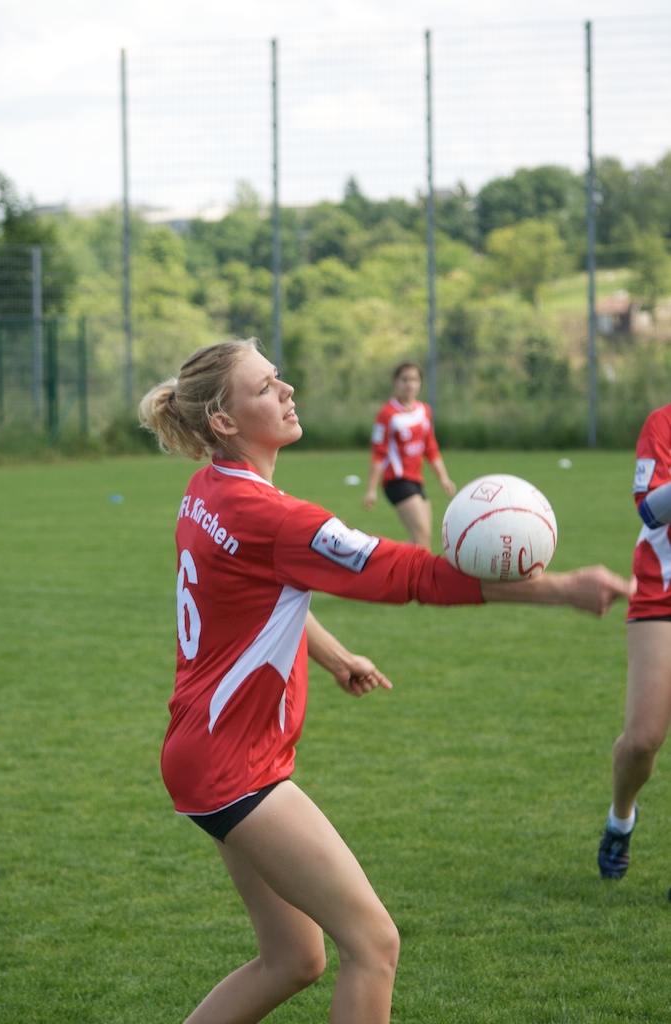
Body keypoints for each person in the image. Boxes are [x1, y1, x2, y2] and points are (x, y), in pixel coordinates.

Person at [139, 337, 632, 1024]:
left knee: (294, 959)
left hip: (203, 749)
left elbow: (249, 602)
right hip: (234, 767)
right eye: (264, 387)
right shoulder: (272, 517)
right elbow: (412, 576)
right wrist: (559, 589)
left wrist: (333, 655)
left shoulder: (208, 493)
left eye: (279, 378)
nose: (284, 391)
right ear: (222, 422)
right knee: (372, 944)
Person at [598, 401, 671, 881]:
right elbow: (648, 507)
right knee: (643, 739)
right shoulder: (662, 423)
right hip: (661, 592)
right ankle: (620, 819)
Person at [363, 361, 456, 549]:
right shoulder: (387, 414)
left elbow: (430, 448)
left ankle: (386, 567)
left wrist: (444, 478)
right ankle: (390, 568)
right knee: (421, 537)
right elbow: (379, 454)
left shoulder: (424, 411)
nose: (409, 384)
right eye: (404, 380)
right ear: (396, 383)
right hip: (397, 481)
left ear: (420, 383)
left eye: (414, 379)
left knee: (421, 541)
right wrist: (371, 489)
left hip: (416, 481)